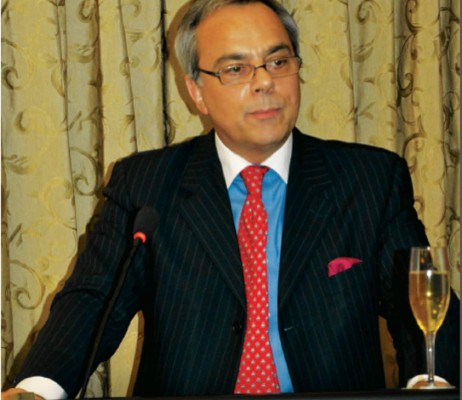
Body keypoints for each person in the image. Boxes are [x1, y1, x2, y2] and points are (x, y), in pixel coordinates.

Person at [3, 0, 460, 398]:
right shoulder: (145, 184)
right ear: (196, 92)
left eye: (278, 61)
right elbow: (93, 299)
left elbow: (422, 305)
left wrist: (435, 383)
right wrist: (37, 390)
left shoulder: (370, 180)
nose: (264, 83)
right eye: (236, 69)